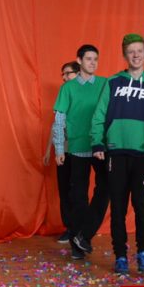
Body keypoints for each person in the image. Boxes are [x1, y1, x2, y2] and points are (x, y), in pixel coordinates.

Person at [90, 34, 144, 274]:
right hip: (116, 152)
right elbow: (99, 115)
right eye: (131, 51)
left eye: (139, 51)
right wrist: (97, 143)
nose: (136, 55)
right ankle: (120, 255)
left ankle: (143, 253)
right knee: (118, 206)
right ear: (125, 55)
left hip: (143, 154)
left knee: (141, 204)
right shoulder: (113, 82)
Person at [52, 44, 109, 260]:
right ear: (79, 61)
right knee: (78, 197)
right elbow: (59, 119)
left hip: (100, 147)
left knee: (106, 189)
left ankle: (84, 235)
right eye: (88, 59)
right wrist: (59, 148)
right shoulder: (68, 88)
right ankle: (77, 245)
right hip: (76, 148)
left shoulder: (105, 84)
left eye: (95, 59)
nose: (92, 63)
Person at [44, 61, 80, 243]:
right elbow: (56, 124)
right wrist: (48, 150)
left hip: (80, 150)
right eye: (63, 74)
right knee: (64, 189)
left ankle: (79, 228)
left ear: (78, 73)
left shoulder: (86, 94)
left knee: (77, 190)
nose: (64, 77)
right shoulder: (63, 94)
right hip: (63, 150)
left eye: (68, 73)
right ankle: (69, 228)